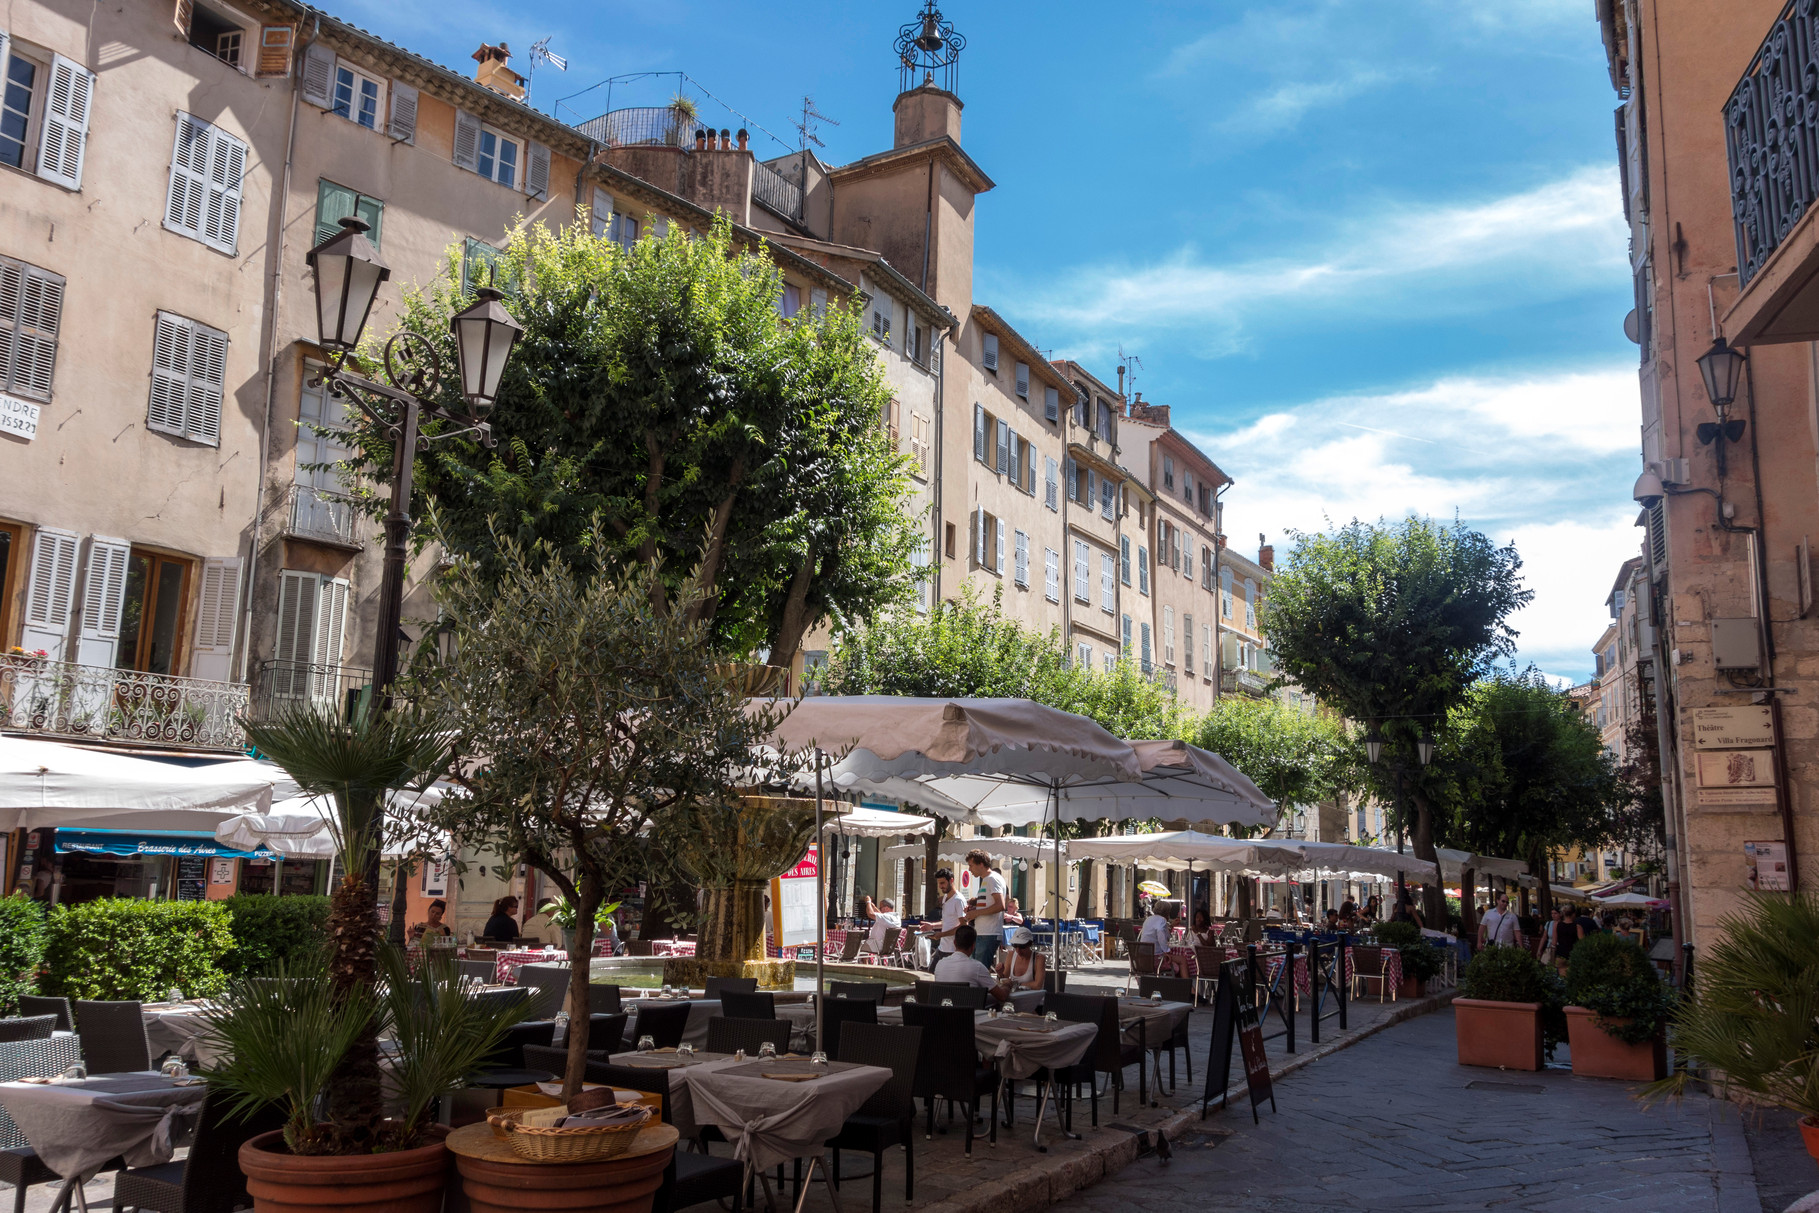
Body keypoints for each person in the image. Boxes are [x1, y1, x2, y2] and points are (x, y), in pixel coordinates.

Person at [959, 850, 1008, 969]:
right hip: (983, 933)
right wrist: (974, 909)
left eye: (971, 865)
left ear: (981, 864)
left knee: (978, 973)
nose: (969, 870)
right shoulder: (987, 879)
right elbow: (989, 905)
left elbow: (1000, 905)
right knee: (975, 971)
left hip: (989, 933)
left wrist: (976, 913)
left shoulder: (992, 879)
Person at [918, 868, 966, 970]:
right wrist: (933, 926)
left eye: (943, 883)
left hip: (954, 949)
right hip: (943, 947)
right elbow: (947, 921)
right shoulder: (945, 898)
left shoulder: (958, 900)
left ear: (951, 880)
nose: (940, 886)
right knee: (931, 976)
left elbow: (963, 926)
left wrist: (941, 934)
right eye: (939, 883)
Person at [932, 924, 998, 993]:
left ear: (954, 943)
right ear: (973, 945)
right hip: (967, 1003)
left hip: (943, 1002)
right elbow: (1001, 996)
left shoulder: (940, 964)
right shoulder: (977, 967)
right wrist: (1007, 984)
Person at [994, 925, 1046, 997]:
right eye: (1015, 946)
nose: (1018, 950)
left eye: (1022, 947)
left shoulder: (1038, 958)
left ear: (1029, 944)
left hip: (1032, 999)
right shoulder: (1011, 955)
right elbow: (1004, 979)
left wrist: (1014, 984)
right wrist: (1000, 973)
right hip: (1014, 998)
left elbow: (1038, 985)